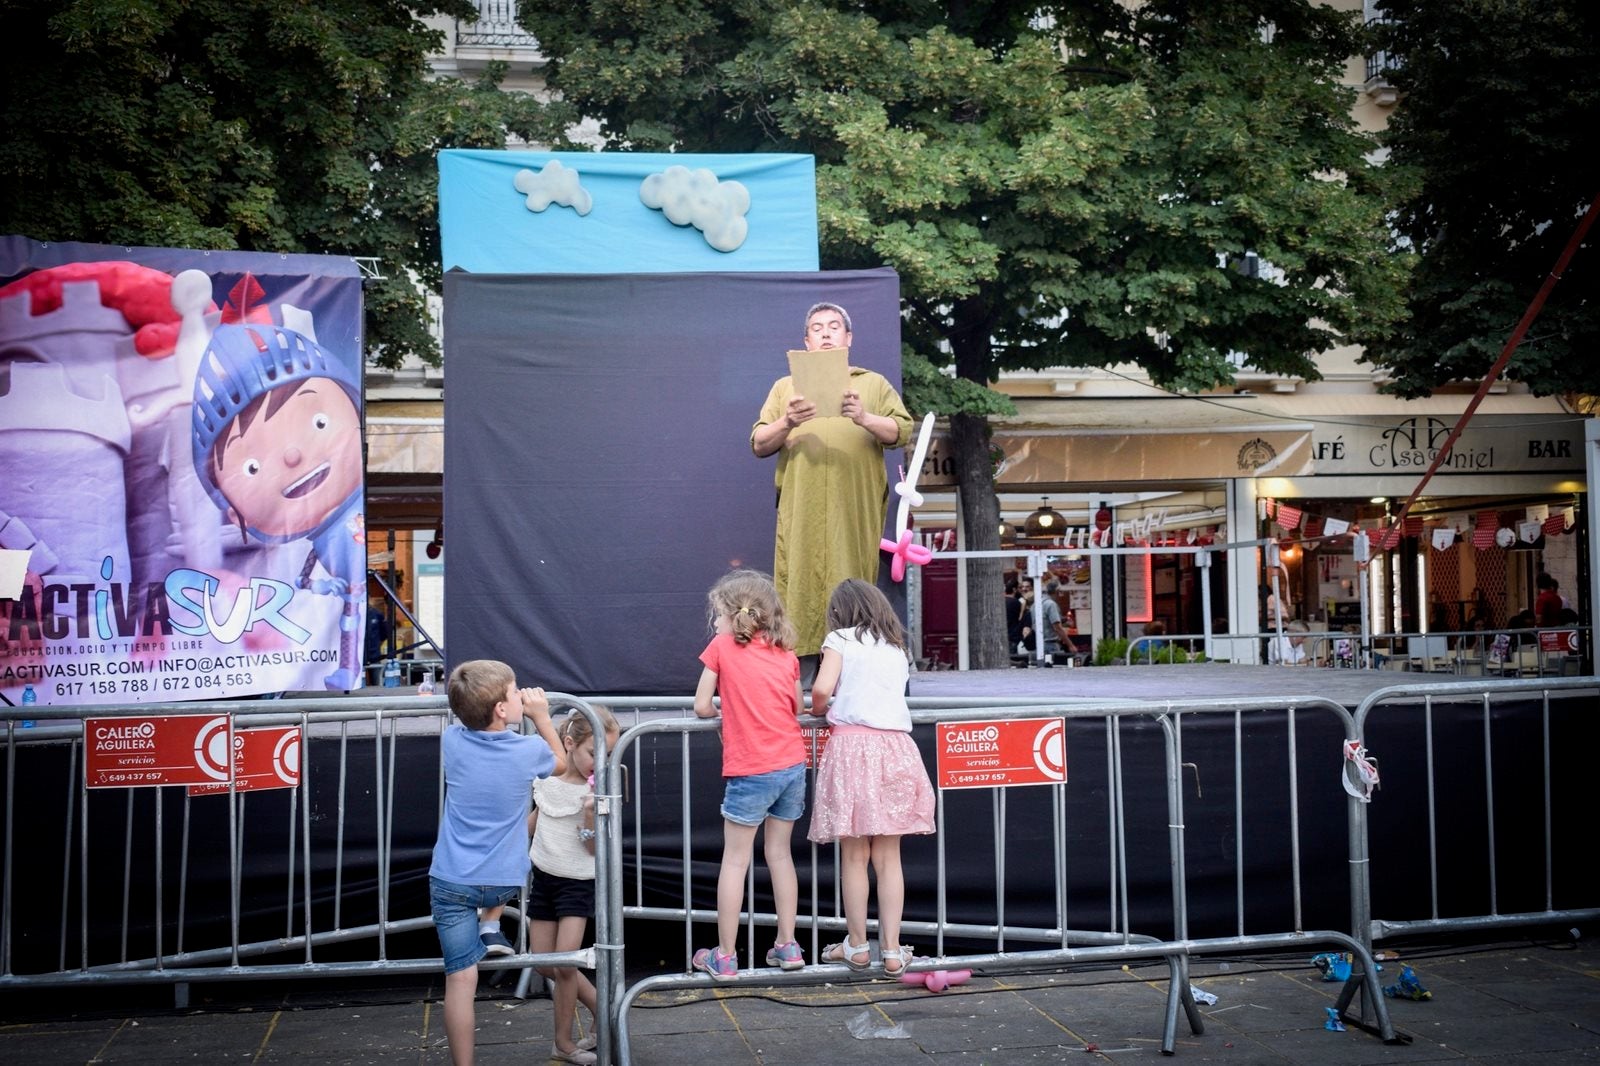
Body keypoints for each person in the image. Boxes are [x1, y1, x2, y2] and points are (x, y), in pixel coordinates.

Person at [192, 323, 367, 690]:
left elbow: (352, 587)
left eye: (319, 422)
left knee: (353, 604)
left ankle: (348, 668)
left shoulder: (350, 528)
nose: (292, 455)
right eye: (251, 466)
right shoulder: (315, 541)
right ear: (231, 509)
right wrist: (315, 585)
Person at [751, 303, 913, 661]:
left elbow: (900, 431)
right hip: (801, 509)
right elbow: (759, 443)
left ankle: (853, 664)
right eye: (817, 327)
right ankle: (802, 680)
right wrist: (788, 422)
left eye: (834, 326)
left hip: (853, 508)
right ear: (806, 340)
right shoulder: (785, 388)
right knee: (799, 585)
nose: (826, 333)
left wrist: (864, 417)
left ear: (848, 337)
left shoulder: (872, 383)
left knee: (852, 580)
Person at [429, 660, 564, 1066]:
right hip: (503, 881)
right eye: (514, 690)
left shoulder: (452, 740)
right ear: (502, 710)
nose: (521, 693)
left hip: (452, 879)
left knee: (460, 978)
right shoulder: (528, 751)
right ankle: (491, 923)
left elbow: (472, 719)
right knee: (493, 891)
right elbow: (558, 762)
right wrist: (541, 716)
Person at [807, 579, 936, 975]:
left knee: (854, 855)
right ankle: (894, 951)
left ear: (840, 611)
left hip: (852, 749)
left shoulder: (840, 639)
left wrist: (817, 707)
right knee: (889, 856)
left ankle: (858, 945)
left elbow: (822, 689)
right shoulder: (897, 646)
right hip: (896, 748)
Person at [691, 570, 808, 980]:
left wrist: (728, 712)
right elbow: (795, 707)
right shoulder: (786, 653)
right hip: (792, 764)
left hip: (751, 768)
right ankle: (788, 944)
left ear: (728, 612)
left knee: (736, 860)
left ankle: (725, 955)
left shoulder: (721, 647)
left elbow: (703, 705)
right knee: (780, 856)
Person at [527, 707, 621, 1065]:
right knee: (543, 963)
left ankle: (562, 1044)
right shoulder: (547, 779)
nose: (600, 762)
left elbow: (593, 849)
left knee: (565, 964)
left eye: (607, 754)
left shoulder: (597, 792)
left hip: (577, 884)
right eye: (593, 752)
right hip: (545, 878)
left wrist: (588, 816)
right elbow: (535, 821)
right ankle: (600, 1005)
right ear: (568, 744)